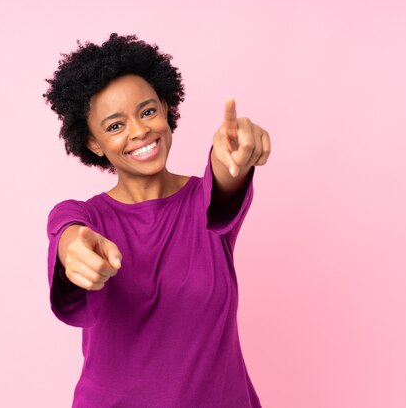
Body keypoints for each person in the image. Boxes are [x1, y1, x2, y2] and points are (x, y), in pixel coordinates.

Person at [43, 33, 271, 408]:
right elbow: (66, 230)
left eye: (148, 111)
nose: (139, 131)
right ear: (94, 143)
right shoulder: (85, 218)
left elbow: (225, 174)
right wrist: (74, 248)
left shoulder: (203, 205)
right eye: (115, 126)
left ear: (166, 109)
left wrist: (235, 153)